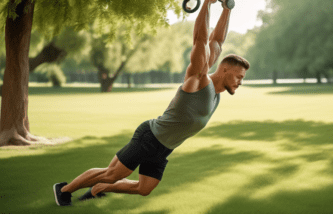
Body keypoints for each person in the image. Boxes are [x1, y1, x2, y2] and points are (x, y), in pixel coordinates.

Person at [53, 0, 249, 206]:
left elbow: (217, 41)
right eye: (238, 77)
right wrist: (207, 5)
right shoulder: (199, 80)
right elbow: (201, 41)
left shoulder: (217, 95)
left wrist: (227, 9)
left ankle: (100, 188)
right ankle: (64, 190)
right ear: (225, 70)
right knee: (112, 173)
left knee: (144, 188)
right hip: (150, 137)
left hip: (164, 148)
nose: (240, 82)